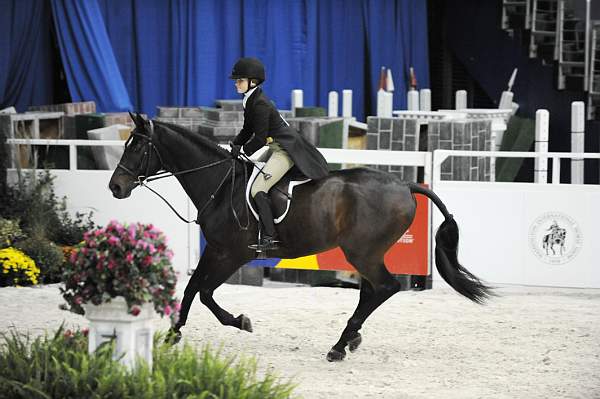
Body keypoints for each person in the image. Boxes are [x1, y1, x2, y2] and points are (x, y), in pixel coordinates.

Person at [228, 57, 329, 251]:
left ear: (253, 82)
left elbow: (259, 138)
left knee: (258, 188)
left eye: (239, 80)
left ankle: (270, 236)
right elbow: (247, 130)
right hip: (274, 147)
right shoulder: (250, 100)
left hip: (285, 150)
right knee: (250, 174)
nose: (236, 83)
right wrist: (233, 145)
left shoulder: (260, 104)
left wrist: (243, 150)